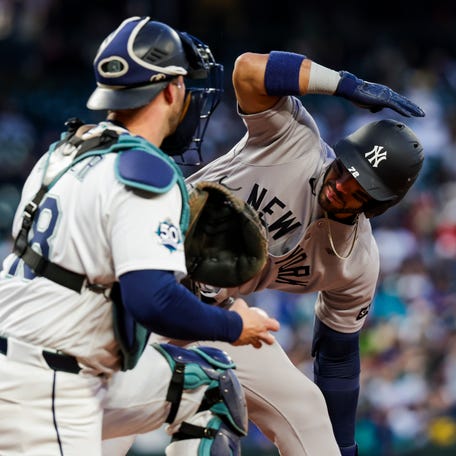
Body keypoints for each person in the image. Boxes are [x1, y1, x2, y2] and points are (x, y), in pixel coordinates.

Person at [101, 47, 425, 456]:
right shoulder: (295, 141)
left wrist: (343, 444)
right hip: (141, 288)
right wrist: (345, 83)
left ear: (378, 204)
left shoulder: (357, 262)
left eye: (358, 189)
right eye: (345, 168)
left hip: (213, 316)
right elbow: (248, 70)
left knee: (306, 411)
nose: (341, 184)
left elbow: (338, 359)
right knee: (100, 441)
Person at [0, 17, 279, 456]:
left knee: (207, 386)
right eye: (185, 85)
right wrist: (235, 326)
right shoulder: (149, 173)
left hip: (28, 365)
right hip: (45, 390)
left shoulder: (62, 152)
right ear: (170, 89)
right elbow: (152, 300)